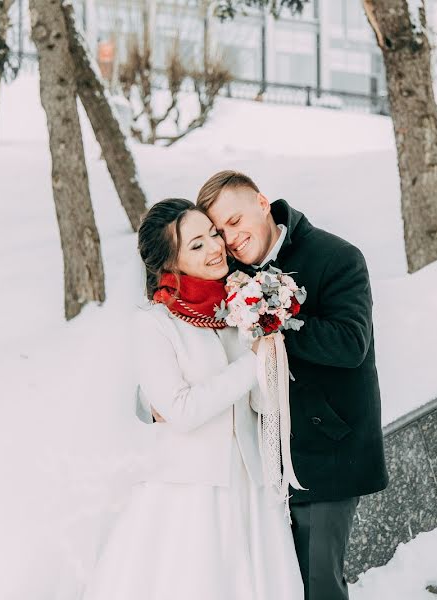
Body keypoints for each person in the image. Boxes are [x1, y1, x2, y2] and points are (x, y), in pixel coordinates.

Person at [81, 198, 303, 600]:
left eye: (213, 234)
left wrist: (269, 344)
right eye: (196, 244)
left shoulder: (239, 309)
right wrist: (251, 364)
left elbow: (261, 403)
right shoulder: (154, 324)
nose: (216, 247)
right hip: (192, 490)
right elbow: (180, 411)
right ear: (171, 262)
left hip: (251, 487)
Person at [197, 171, 389, 600]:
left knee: (318, 586)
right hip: (256, 461)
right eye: (219, 231)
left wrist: (274, 320)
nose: (229, 239)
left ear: (262, 203)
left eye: (234, 221)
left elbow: (350, 344)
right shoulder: (231, 273)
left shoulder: (337, 256)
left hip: (326, 451)